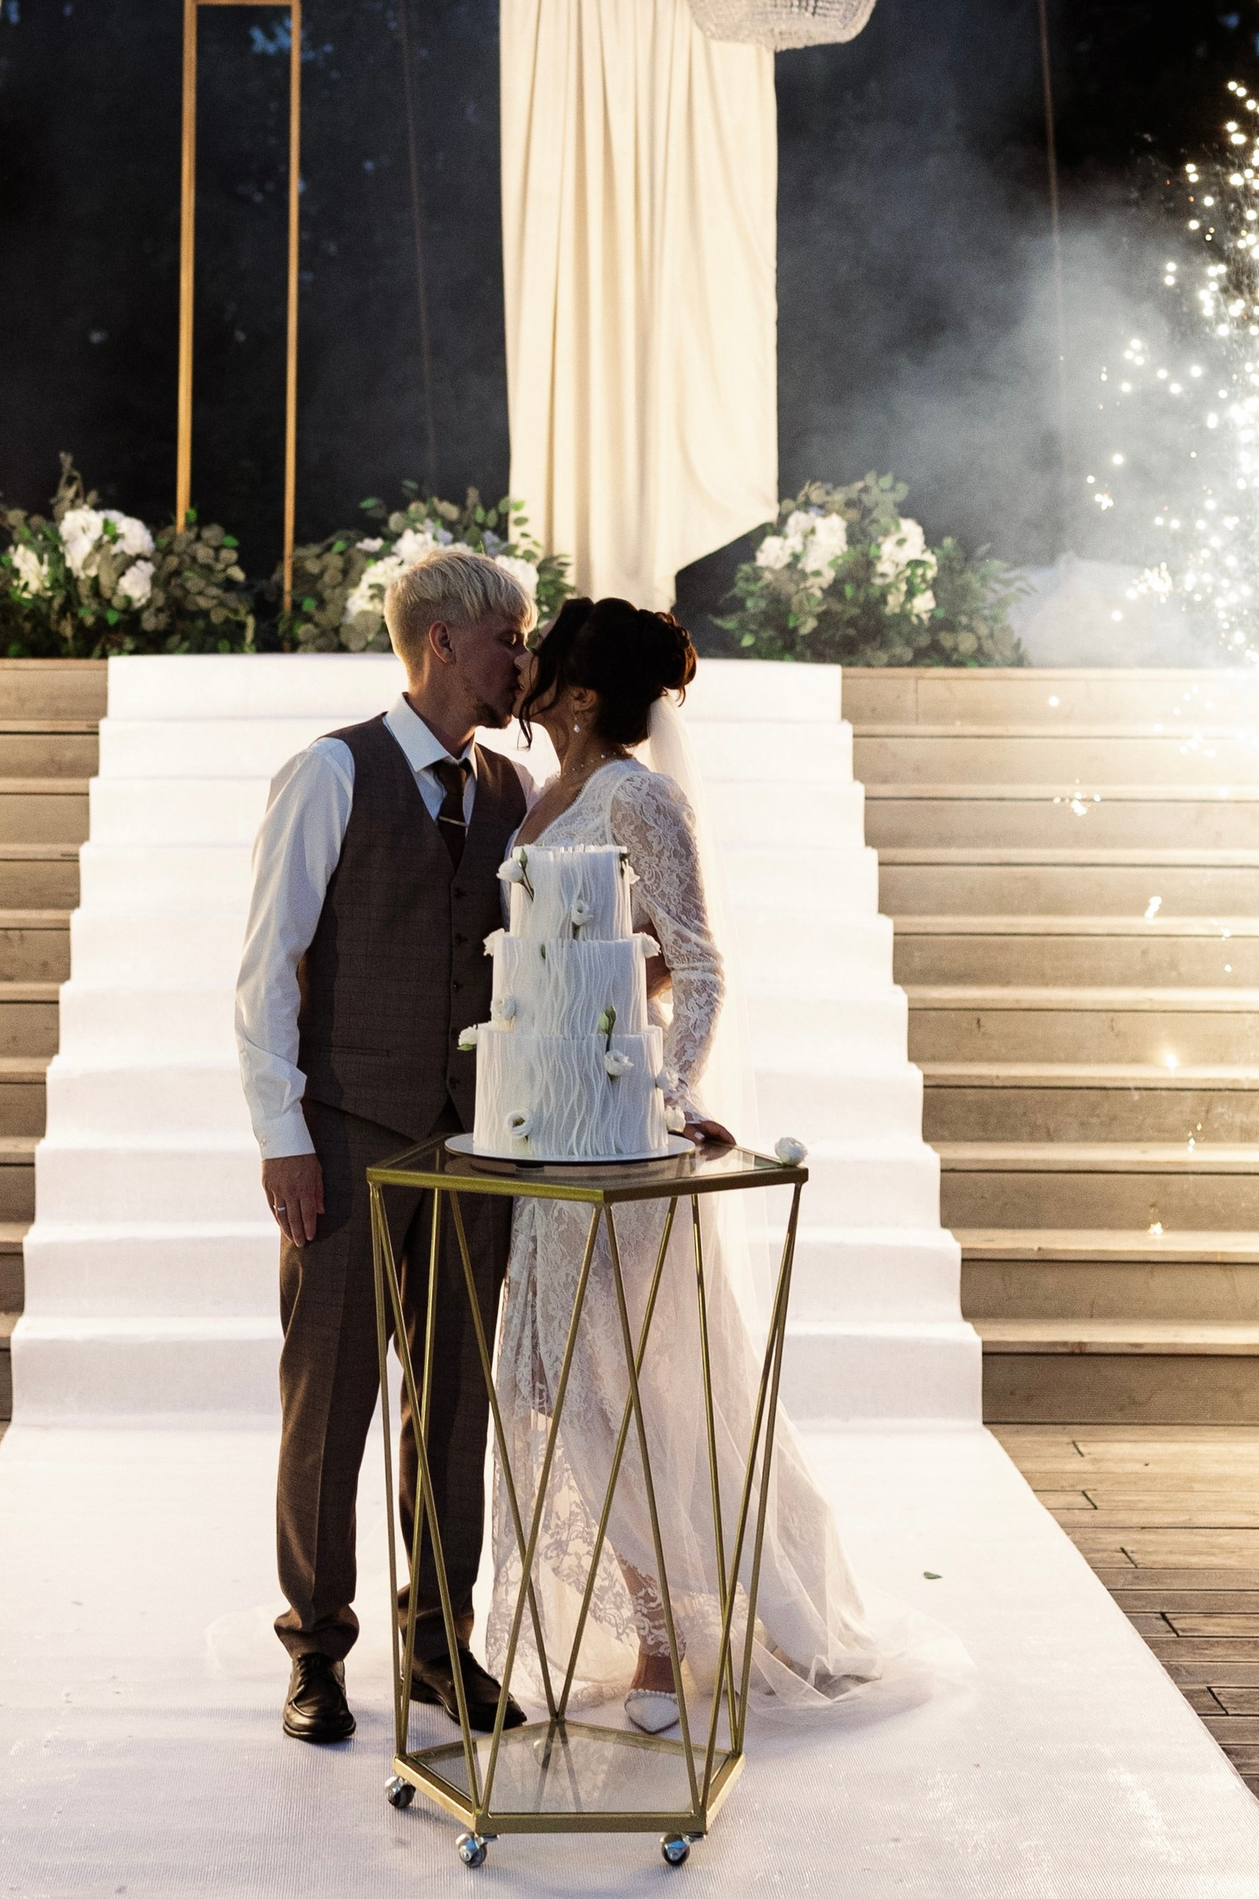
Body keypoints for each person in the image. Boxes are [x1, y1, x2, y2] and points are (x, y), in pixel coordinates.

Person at [486, 595, 879, 1726]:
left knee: (626, 1379)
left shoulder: (638, 795)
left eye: (542, 654)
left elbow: (697, 960)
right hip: (535, 1115)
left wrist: (673, 1089)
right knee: (548, 1377)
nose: (524, 664)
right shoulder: (534, 791)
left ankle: (668, 1643)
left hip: (614, 1121)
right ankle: (638, 1611)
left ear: (580, 692)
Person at [233, 544, 538, 1749]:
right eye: (510, 637)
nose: (524, 659)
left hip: (475, 1140)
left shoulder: (513, 786)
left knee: (456, 1401)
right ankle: (315, 1646)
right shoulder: (329, 771)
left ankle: (436, 1644)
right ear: (442, 641)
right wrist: (282, 1134)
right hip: (348, 1131)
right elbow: (268, 966)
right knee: (330, 1399)